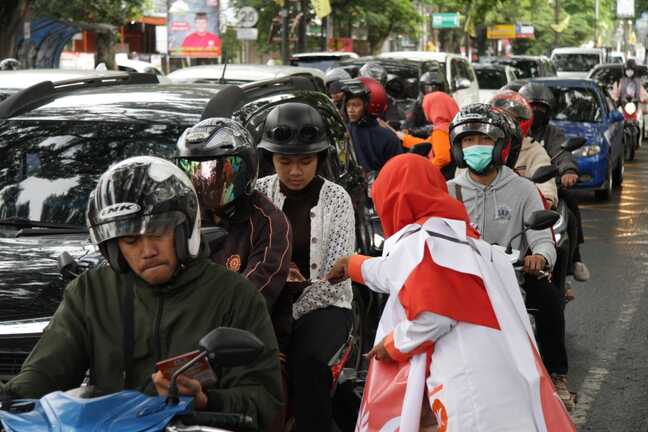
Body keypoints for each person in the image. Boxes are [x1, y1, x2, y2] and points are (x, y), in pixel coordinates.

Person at [0, 156, 282, 430]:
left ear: (184, 230)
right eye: (130, 240)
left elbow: (264, 402)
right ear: (114, 248)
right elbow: (44, 373)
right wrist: (10, 399)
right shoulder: (91, 292)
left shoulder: (234, 295)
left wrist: (205, 400)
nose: (147, 251)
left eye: (158, 232)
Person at [326, 154, 575, 431]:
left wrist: (393, 344)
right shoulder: (457, 236)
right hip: (501, 368)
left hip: (465, 379)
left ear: (392, 198)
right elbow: (398, 271)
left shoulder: (423, 241)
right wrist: (353, 265)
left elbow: (434, 316)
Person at [446, 104, 576, 411]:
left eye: (483, 140)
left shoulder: (523, 189)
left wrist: (539, 258)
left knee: (550, 301)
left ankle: (556, 374)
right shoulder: (448, 191)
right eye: (467, 141)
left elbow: (543, 239)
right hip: (462, 283)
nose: (475, 147)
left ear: (502, 146)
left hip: (511, 277)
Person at [255, 102, 355, 432]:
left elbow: (334, 278)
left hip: (324, 304)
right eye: (285, 161)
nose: (295, 171)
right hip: (265, 302)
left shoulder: (337, 199)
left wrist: (291, 311)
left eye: (305, 161)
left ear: (319, 159)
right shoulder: (256, 194)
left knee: (307, 364)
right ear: (270, 158)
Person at [175, 117, 293, 350]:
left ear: (245, 170)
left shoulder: (269, 222)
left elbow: (251, 295)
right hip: (183, 334)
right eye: (197, 173)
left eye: (219, 173)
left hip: (251, 340)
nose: (206, 183)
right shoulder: (183, 218)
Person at [520, 82, 590, 284]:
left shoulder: (553, 133)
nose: (535, 112)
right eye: (531, 107)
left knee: (570, 212)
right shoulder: (510, 134)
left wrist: (568, 171)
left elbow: (563, 155)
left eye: (541, 108)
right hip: (513, 191)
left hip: (546, 188)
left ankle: (573, 261)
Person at [490, 90, 558, 208]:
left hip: (520, 211)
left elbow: (546, 191)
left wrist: (545, 198)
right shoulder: (482, 147)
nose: (504, 121)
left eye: (510, 117)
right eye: (500, 116)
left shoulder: (534, 151)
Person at [343, 78, 403, 172]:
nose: (350, 110)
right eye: (348, 105)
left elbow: (397, 172)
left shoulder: (388, 138)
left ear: (370, 105)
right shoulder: (343, 133)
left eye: (356, 105)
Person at [397, 91, 458, 179]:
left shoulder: (440, 131)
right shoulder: (450, 127)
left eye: (426, 107)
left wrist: (424, 171)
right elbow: (427, 143)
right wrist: (403, 137)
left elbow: (442, 158)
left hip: (443, 178)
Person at [402, 68, 450, 138]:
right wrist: (427, 130)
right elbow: (407, 128)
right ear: (422, 88)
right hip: (422, 143)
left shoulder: (448, 103)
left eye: (435, 87)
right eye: (427, 87)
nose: (431, 90)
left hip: (443, 138)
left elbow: (454, 126)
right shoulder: (418, 104)